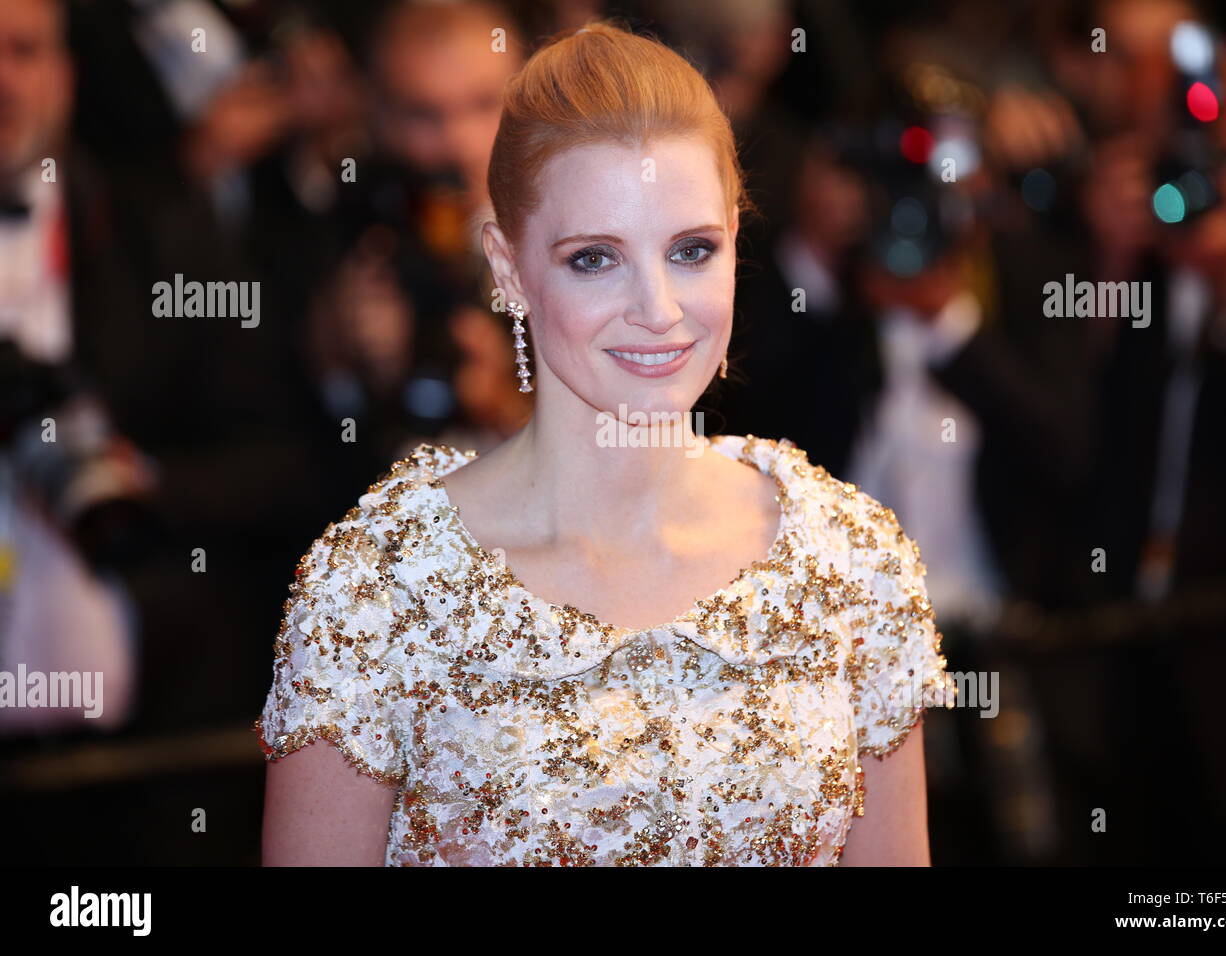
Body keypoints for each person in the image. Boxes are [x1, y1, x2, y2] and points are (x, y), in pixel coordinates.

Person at [256, 19, 955, 867]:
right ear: (509, 266)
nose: (658, 308)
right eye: (595, 259)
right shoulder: (380, 589)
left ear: (737, 242)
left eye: (692, 250)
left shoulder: (850, 563)